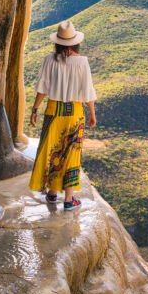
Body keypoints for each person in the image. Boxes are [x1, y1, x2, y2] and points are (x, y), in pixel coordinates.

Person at [27, 20, 98, 210]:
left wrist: (34, 109)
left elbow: (42, 88)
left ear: (58, 42)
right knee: (71, 153)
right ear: (75, 42)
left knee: (51, 150)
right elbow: (88, 90)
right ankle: (68, 200)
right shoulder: (82, 62)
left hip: (53, 111)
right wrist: (92, 114)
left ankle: (51, 193)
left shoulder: (49, 60)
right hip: (74, 112)